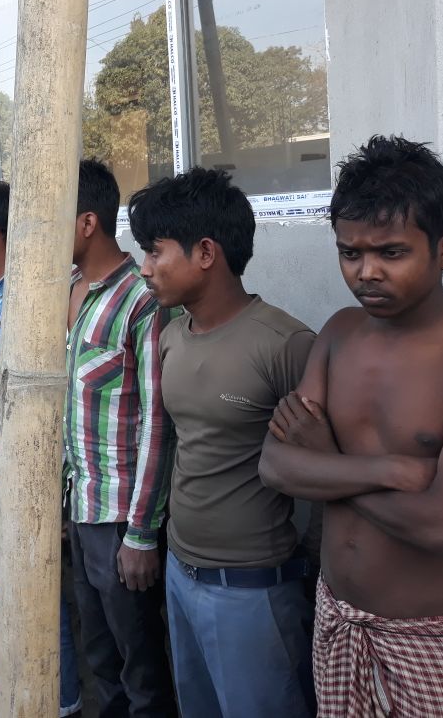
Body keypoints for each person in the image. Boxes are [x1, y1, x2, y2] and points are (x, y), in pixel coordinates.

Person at [259, 136, 443, 717]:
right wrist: (392, 469)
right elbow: (275, 465)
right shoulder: (340, 332)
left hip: (437, 639)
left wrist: (327, 463)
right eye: (350, 253)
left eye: (391, 253)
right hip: (337, 619)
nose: (366, 272)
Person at [129, 167, 314, 717]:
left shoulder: (285, 344)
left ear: (206, 252)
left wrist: (314, 570)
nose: (145, 268)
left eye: (155, 251)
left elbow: (326, 470)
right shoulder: (170, 336)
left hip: (252, 588)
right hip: (180, 572)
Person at [0, 182, 82, 716]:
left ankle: (60, 700)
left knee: (33, 593)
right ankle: (12, 683)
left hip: (15, 478)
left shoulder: (29, 301)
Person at [64, 160, 178, 718]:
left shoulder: (142, 301)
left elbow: (158, 423)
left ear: (88, 223)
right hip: (80, 505)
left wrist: (140, 534)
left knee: (141, 668)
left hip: (119, 516)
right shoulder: (68, 291)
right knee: (99, 654)